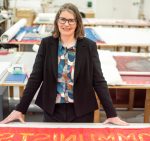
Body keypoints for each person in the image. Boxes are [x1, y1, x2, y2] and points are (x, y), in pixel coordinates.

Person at [0, 3, 128, 125]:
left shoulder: (89, 46)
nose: (66, 24)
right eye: (63, 19)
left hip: (82, 112)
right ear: (57, 21)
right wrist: (20, 109)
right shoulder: (46, 44)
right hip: (53, 111)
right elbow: (35, 78)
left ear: (77, 23)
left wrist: (112, 114)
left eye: (71, 20)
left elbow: (98, 80)